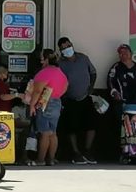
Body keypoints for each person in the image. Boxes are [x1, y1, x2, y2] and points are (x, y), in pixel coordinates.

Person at [57, 36, 98, 164]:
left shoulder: (83, 58)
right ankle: (76, 153)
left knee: (91, 125)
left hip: (86, 97)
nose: (67, 49)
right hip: (70, 99)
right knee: (71, 127)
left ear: (72, 45)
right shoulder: (60, 64)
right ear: (61, 51)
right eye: (64, 48)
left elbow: (93, 72)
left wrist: (91, 87)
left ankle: (88, 151)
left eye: (68, 46)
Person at [28, 48, 69, 166]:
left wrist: (32, 105)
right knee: (53, 133)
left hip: (44, 102)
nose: (41, 61)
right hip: (57, 102)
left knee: (45, 133)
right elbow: (65, 86)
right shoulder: (60, 72)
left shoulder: (44, 73)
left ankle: (40, 160)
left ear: (46, 60)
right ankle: (51, 159)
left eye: (42, 58)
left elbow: (37, 91)